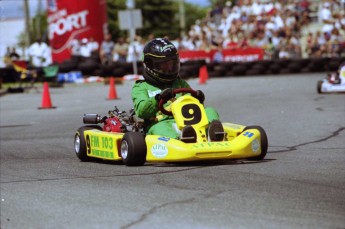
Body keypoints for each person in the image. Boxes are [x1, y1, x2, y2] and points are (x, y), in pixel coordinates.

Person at [131, 38, 224, 143]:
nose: (170, 68)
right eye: (164, 64)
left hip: (187, 120)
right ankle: (182, 139)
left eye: (172, 63)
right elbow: (141, 111)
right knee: (159, 129)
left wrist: (198, 98)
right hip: (162, 122)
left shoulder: (179, 83)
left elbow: (193, 102)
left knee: (210, 111)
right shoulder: (141, 87)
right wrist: (158, 99)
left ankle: (214, 134)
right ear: (150, 65)